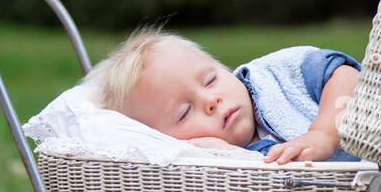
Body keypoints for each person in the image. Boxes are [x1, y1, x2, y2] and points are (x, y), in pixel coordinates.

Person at [83, 26, 362, 163]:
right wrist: (217, 153)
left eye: (210, 79)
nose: (210, 100)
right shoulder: (219, 166)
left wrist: (324, 133)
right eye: (184, 112)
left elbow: (345, 74)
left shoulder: (277, 76)